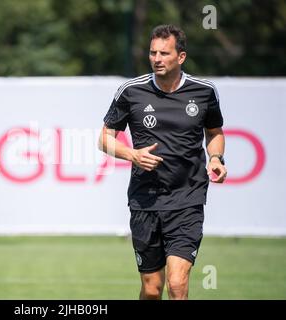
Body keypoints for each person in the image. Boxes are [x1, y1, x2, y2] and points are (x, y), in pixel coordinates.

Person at [98, 24, 226, 300]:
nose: (156, 58)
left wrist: (216, 157)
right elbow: (104, 138)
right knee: (152, 290)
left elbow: (214, 132)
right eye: (152, 52)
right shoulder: (131, 91)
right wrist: (132, 155)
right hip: (145, 200)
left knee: (177, 284)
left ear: (181, 57)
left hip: (187, 199)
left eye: (164, 53)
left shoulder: (204, 92)